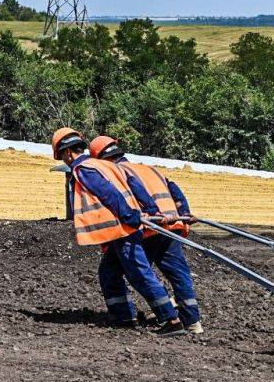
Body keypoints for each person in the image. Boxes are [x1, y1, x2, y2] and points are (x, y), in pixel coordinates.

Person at [51, 127, 186, 337]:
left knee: (139, 273)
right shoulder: (104, 165)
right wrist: (151, 210)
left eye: (62, 156)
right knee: (109, 273)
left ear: (68, 153)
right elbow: (135, 184)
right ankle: (123, 316)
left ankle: (171, 318)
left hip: (123, 229)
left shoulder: (83, 169)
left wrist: (129, 215)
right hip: (119, 231)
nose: (65, 160)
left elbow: (107, 194)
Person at [88, 136, 203, 335]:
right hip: (172, 226)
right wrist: (184, 212)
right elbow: (174, 188)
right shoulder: (148, 168)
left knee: (117, 271)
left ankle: (130, 317)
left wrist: (151, 212)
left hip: (149, 229)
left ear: (100, 159)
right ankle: (192, 321)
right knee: (179, 275)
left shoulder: (118, 172)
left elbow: (134, 191)